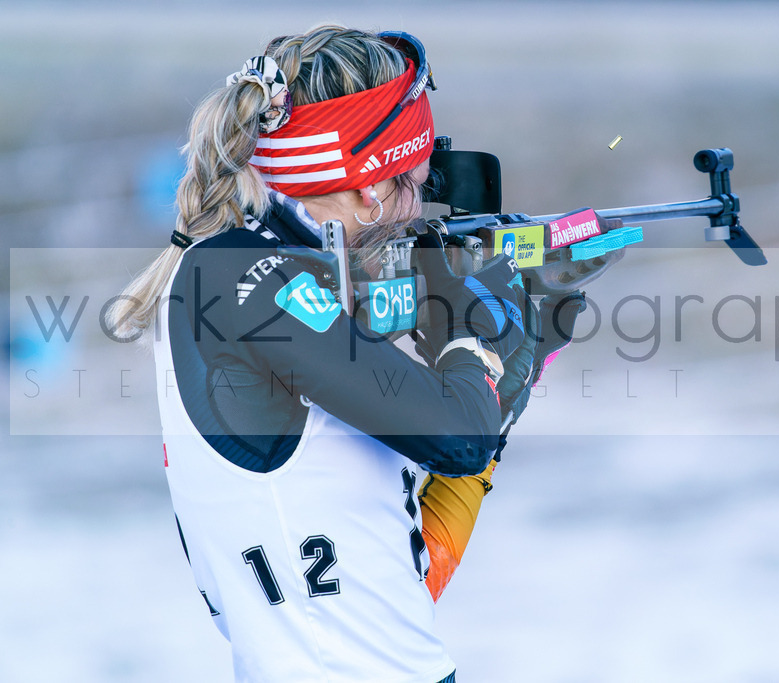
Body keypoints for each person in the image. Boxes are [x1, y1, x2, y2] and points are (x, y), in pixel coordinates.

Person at [107, 25, 538, 683]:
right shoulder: (241, 281)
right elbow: (459, 435)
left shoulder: (239, 267)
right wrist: (474, 329)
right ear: (369, 187)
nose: (421, 209)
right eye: (415, 183)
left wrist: (511, 369)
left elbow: (398, 585)